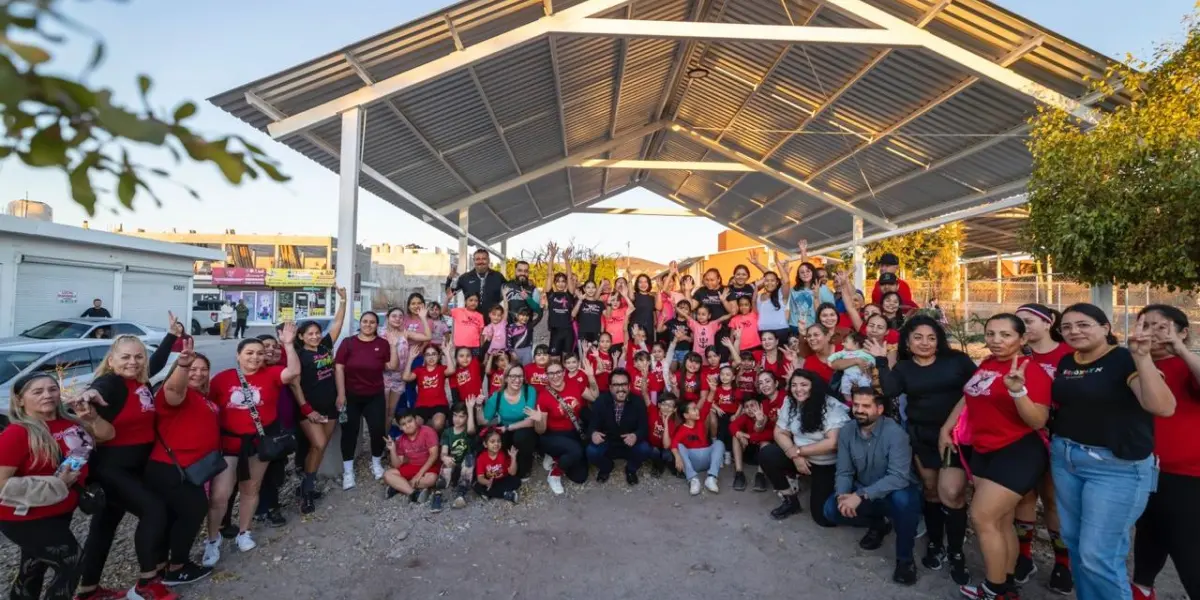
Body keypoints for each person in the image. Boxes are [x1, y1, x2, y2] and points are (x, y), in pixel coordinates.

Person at [1050, 303, 1174, 600]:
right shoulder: (1068, 361)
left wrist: (1142, 358)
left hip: (1115, 467)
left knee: (1098, 554)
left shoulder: (1125, 360)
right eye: (1066, 327)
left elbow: (1163, 407)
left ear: (1105, 327)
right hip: (1067, 460)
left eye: (1083, 324)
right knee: (1076, 543)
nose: (1073, 331)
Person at [949, 314, 1051, 600]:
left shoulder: (1032, 371)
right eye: (990, 334)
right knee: (1001, 521)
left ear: (1022, 338)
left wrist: (1018, 391)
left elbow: (1037, 420)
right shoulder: (987, 364)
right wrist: (949, 426)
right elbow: (970, 398)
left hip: (1017, 451)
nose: (996, 340)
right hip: (984, 450)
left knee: (982, 517)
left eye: (1005, 335)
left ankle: (992, 590)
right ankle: (1005, 585)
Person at [875, 315, 976, 585]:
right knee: (931, 491)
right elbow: (891, 390)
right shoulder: (905, 368)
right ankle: (935, 543)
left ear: (939, 339)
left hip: (954, 435)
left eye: (931, 337)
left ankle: (956, 552)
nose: (925, 343)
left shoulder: (957, 361)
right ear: (907, 340)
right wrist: (881, 360)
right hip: (921, 435)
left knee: (952, 493)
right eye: (918, 337)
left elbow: (977, 389)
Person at [76, 336, 174, 600]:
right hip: (111, 467)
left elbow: (157, 362)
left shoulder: (140, 382)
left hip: (135, 466)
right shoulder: (112, 383)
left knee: (104, 527)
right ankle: (147, 582)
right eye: (125, 357)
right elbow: (97, 390)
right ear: (111, 361)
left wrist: (173, 336)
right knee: (154, 510)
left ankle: (88, 590)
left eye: (138, 356)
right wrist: (90, 393)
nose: (133, 362)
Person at [0, 373, 113, 600]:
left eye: (52, 389)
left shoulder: (70, 421)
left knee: (33, 566)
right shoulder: (18, 433)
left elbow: (107, 435)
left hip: (60, 510)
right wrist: (56, 484)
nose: (48, 395)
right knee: (73, 561)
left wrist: (91, 418)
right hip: (25, 517)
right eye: (38, 391)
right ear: (20, 400)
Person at [202, 327, 300, 568]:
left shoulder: (271, 374)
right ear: (238, 355)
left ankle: (244, 532)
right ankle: (212, 540)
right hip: (229, 445)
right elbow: (207, 407)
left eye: (258, 353)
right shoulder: (222, 379)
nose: (254, 358)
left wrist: (288, 344)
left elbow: (294, 372)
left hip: (258, 443)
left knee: (251, 489)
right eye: (249, 353)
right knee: (220, 495)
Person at [1132, 304, 1200, 600]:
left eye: (1161, 326)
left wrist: (1182, 351)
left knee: (1188, 547)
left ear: (1183, 332)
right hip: (1139, 470)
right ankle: (1142, 590)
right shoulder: (1133, 366)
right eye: (1145, 325)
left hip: (1186, 474)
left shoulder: (1188, 366)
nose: (1152, 333)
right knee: (1148, 537)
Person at [825, 387, 922, 586]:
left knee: (904, 500)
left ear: (879, 409)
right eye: (856, 405)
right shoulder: (847, 431)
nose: (859, 410)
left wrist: (860, 495)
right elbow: (844, 471)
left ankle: (905, 559)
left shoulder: (896, 434)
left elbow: (898, 477)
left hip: (895, 491)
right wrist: (843, 495)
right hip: (866, 490)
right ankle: (879, 524)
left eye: (866, 406)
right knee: (831, 510)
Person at [147, 340, 220, 586]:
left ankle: (162, 564)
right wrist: (182, 365)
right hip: (171, 467)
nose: (198, 373)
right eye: (193, 369)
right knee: (193, 510)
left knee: (174, 516)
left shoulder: (200, 396)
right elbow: (174, 391)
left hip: (190, 469)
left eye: (203, 369)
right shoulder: (176, 393)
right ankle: (177, 567)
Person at [1013, 303, 1072, 593]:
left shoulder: (1068, 354)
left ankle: (1063, 562)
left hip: (1057, 434)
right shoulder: (1016, 354)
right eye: (1019, 322)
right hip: (1020, 435)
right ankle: (1025, 558)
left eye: (1029, 320)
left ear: (1049, 322)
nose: (1023, 327)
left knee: (1052, 499)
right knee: (1024, 496)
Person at [758, 369, 850, 524]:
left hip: (825, 464)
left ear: (814, 386)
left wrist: (800, 451)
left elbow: (833, 442)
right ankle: (790, 501)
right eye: (794, 385)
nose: (798, 389)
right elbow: (779, 432)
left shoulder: (831, 405)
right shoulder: (790, 401)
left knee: (822, 519)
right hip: (799, 456)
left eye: (804, 385)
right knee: (767, 454)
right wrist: (794, 455)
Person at [292, 289, 348, 514]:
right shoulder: (298, 355)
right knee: (318, 444)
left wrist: (343, 300)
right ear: (301, 337)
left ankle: (307, 483)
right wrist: (307, 409)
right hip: (310, 410)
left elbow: (337, 323)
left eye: (317, 332)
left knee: (320, 448)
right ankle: (306, 491)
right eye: (310, 334)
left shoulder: (325, 347)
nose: (315, 336)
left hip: (330, 407)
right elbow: (295, 385)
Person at [335, 312, 398, 490]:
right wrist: (341, 394)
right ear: (360, 323)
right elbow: (339, 368)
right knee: (349, 433)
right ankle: (348, 471)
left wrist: (393, 346)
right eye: (365, 321)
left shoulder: (382, 344)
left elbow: (391, 366)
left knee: (377, 430)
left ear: (377, 325)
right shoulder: (348, 343)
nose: (368, 325)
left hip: (375, 396)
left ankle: (376, 463)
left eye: (372, 322)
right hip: (351, 396)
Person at [534, 359, 594, 494]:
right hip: (552, 435)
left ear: (564, 372)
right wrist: (538, 420)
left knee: (580, 477)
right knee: (576, 450)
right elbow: (540, 430)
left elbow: (594, 397)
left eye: (558, 372)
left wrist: (591, 377)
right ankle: (554, 474)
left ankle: (558, 458)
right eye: (551, 374)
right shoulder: (543, 396)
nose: (555, 376)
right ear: (546, 376)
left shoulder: (574, 385)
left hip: (573, 431)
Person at [586, 369, 653, 485]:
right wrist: (593, 434)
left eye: (624, 384)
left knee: (645, 449)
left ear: (629, 386)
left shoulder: (638, 402)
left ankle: (631, 470)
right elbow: (592, 426)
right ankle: (606, 467)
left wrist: (635, 436)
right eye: (616, 385)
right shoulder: (601, 401)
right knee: (591, 451)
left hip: (629, 443)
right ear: (610, 387)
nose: (620, 388)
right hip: (608, 441)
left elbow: (644, 428)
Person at [480, 365, 540, 480]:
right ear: (506, 378)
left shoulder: (529, 391)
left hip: (523, 430)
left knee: (521, 437)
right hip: (505, 430)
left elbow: (531, 421)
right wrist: (477, 406)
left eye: (520, 376)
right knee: (494, 441)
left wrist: (508, 427)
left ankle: (525, 466)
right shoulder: (497, 396)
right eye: (513, 376)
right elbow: (484, 421)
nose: (517, 380)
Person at [384, 412, 440, 507]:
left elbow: (433, 456)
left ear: (416, 420)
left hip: (428, 466)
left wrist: (419, 474)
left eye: (410, 421)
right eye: (403, 424)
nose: (408, 425)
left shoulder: (428, 432)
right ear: (400, 427)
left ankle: (399, 487)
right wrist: (392, 450)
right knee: (387, 475)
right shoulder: (401, 440)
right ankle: (414, 493)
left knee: (431, 479)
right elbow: (397, 465)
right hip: (412, 466)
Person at [671, 399, 723, 496]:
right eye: (694, 409)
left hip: (706, 458)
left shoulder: (700, 421)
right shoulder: (682, 430)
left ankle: (711, 477)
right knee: (680, 446)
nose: (697, 411)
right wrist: (677, 457)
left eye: (697, 409)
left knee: (719, 443)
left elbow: (707, 404)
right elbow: (673, 445)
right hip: (693, 461)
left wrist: (712, 390)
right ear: (686, 415)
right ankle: (693, 479)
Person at [403, 344, 456, 433]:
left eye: (434, 354)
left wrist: (447, 353)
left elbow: (451, 370)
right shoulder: (419, 370)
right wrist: (410, 359)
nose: (431, 357)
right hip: (421, 405)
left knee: (438, 423)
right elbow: (406, 377)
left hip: (439, 404)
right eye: (428, 354)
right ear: (424, 357)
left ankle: (437, 438)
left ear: (438, 356)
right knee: (415, 425)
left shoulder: (441, 369)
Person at [729, 395, 774, 493]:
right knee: (735, 437)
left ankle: (760, 475)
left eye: (753, 405)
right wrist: (740, 435)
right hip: (748, 452)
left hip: (762, 455)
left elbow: (771, 435)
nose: (750, 409)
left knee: (765, 442)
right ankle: (739, 473)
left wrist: (748, 436)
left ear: (760, 406)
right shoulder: (745, 417)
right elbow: (733, 425)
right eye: (747, 407)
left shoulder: (766, 417)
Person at [438, 401, 478, 510]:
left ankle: (461, 494)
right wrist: (445, 457)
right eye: (455, 415)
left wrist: (470, 409)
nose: (457, 419)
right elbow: (444, 451)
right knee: (446, 464)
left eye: (461, 416)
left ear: (467, 418)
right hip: (454, 464)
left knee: (469, 459)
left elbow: (471, 430)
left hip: (467, 467)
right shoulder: (447, 432)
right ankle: (438, 493)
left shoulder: (467, 431)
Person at [447, 249, 506, 315]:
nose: (480, 261)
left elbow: (508, 294)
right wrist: (450, 278)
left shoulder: (498, 277)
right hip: (471, 321)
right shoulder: (465, 278)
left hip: (493, 321)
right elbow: (449, 293)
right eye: (477, 259)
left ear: (489, 260)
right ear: (473, 261)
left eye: (484, 259)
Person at [544, 245, 577, 358]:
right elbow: (549, 275)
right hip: (555, 331)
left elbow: (570, 277)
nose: (561, 283)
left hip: (568, 331)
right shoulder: (551, 294)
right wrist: (552, 256)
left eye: (563, 281)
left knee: (567, 360)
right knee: (554, 359)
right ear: (554, 283)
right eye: (558, 281)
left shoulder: (569, 294)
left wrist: (566, 259)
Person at [473, 428, 521, 503]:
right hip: (489, 481)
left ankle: (490, 494)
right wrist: (487, 482)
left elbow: (512, 473)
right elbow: (480, 478)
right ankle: (506, 494)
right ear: (485, 444)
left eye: (498, 441)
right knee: (477, 486)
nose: (496, 444)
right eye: (492, 442)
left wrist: (513, 458)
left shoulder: (503, 454)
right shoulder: (481, 458)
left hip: (502, 479)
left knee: (516, 481)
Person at [827, 332, 875, 405]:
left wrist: (870, 364)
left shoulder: (864, 352)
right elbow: (835, 355)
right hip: (848, 376)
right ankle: (849, 401)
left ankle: (864, 400)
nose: (842, 344)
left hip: (862, 375)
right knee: (844, 387)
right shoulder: (844, 352)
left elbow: (872, 359)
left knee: (865, 385)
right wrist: (829, 360)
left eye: (845, 342)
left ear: (856, 344)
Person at [647, 393, 680, 477]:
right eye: (664, 404)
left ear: (674, 409)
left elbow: (666, 445)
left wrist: (665, 423)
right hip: (653, 446)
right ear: (659, 405)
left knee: (667, 454)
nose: (666, 407)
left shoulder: (674, 422)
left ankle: (671, 465)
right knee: (654, 451)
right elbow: (645, 396)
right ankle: (658, 466)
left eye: (670, 405)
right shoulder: (653, 411)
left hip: (666, 448)